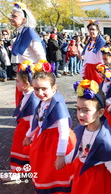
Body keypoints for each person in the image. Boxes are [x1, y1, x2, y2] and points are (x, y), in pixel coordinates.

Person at [22, 61, 76, 193]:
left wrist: (61, 155)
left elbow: (63, 132)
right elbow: (38, 121)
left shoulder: (57, 104)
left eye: (44, 88)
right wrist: (28, 135)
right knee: (43, 168)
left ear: (54, 87)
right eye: (36, 89)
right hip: (43, 140)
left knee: (55, 171)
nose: (40, 93)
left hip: (56, 143)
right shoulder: (43, 101)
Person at [10, 2, 46, 106]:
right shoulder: (21, 32)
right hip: (23, 68)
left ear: (24, 19)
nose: (11, 18)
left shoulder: (29, 32)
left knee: (30, 97)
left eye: (14, 16)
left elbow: (41, 55)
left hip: (30, 69)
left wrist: (38, 72)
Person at [10, 61, 39, 172]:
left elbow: (33, 118)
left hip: (27, 128)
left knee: (24, 149)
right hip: (23, 126)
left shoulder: (33, 97)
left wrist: (29, 136)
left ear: (27, 84)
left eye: (18, 82)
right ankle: (20, 170)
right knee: (20, 149)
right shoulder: (27, 94)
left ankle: (21, 171)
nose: (16, 84)